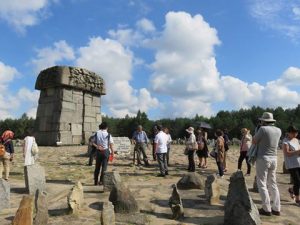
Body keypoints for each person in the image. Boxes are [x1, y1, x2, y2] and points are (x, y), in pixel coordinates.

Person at [253, 112, 282, 216]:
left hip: (263, 158)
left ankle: (266, 208)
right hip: (274, 157)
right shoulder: (279, 130)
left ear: (263, 121)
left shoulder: (263, 129)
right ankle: (277, 208)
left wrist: (259, 128)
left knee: (262, 183)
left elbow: (254, 141)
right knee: (273, 183)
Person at [282, 125, 300, 206]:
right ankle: (297, 199)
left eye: (296, 133)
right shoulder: (285, 141)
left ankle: (291, 190)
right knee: (297, 181)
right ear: (289, 133)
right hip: (291, 164)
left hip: (299, 162)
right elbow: (287, 153)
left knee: (299, 182)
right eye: (293, 133)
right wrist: (297, 152)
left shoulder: (297, 140)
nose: (295, 134)